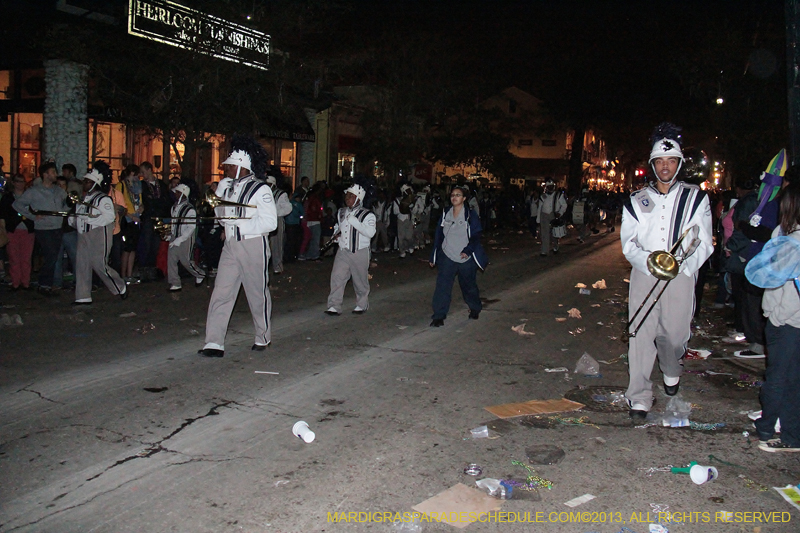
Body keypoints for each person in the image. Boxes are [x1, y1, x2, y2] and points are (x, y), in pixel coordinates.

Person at [621, 123, 713, 421]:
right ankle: (639, 396)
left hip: (680, 274)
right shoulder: (636, 200)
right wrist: (647, 262)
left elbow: (704, 242)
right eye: (659, 161)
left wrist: (682, 266)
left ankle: (671, 368)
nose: (665, 166)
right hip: (645, 273)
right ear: (652, 164)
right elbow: (628, 242)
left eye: (671, 161)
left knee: (674, 335)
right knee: (639, 332)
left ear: (679, 164)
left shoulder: (696, 198)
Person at [198, 136, 277, 358]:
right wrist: (220, 197)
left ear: (240, 165)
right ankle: (214, 342)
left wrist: (240, 222)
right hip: (231, 245)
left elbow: (270, 223)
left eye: (229, 165)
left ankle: (263, 336)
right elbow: (222, 218)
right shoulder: (228, 187)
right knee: (221, 292)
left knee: (256, 293)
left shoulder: (261, 189)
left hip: (252, 244)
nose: (226, 169)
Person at [754, 179, 800, 452]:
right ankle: (792, 435)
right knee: (792, 379)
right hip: (788, 320)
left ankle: (767, 428)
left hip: (788, 321)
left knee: (779, 378)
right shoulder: (786, 237)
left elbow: (786, 287)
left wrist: (777, 316)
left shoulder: (792, 243)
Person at [429, 184, 488, 327]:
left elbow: (475, 236)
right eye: (453, 195)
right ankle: (439, 316)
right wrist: (434, 256)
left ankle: (474, 308)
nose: (454, 197)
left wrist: (467, 250)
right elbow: (438, 235)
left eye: (458, 195)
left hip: (464, 258)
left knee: (468, 286)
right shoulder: (445, 213)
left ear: (464, 198)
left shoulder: (470, 214)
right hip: (447, 255)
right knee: (442, 287)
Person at [70, 165, 128, 304]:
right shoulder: (83, 199)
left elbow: (109, 218)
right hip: (83, 233)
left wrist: (86, 218)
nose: (84, 184)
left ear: (95, 183)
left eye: (88, 181)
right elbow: (76, 217)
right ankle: (83, 296)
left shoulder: (103, 199)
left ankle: (120, 287)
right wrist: (73, 220)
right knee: (82, 264)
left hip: (99, 234)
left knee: (99, 264)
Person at [12, 162, 68, 295]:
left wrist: (69, 206)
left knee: (53, 256)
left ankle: (46, 283)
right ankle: (44, 283)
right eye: (53, 172)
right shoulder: (34, 191)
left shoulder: (59, 190)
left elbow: (64, 207)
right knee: (51, 255)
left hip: (57, 227)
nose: (55, 174)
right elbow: (17, 205)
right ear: (45, 174)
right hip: (44, 228)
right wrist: (31, 216)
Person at [324, 183, 376, 315]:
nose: (347, 198)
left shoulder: (368, 215)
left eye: (351, 196)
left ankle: (362, 304)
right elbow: (338, 226)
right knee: (337, 277)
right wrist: (336, 235)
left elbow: (370, 233)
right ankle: (334, 305)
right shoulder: (341, 212)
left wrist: (355, 222)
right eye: (347, 195)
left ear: (358, 198)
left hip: (360, 251)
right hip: (343, 250)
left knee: (360, 280)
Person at [165, 184, 205, 291]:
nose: (175, 194)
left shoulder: (190, 209)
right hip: (175, 236)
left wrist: (180, 239)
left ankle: (200, 274)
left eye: (177, 192)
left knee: (186, 261)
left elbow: (191, 227)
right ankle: (175, 282)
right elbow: (174, 223)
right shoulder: (174, 207)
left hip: (186, 238)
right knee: (171, 259)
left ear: (182, 194)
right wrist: (170, 235)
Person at [0, 174, 35, 290]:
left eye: (22, 181)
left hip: (27, 230)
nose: (21, 184)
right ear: (13, 183)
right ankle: (15, 282)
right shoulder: (7, 198)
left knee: (26, 257)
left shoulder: (29, 196)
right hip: (13, 230)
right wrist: (4, 230)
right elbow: (3, 215)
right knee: (14, 257)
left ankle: (25, 282)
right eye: (18, 182)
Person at [138, 161, 171, 281]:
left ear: (149, 170)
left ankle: (152, 270)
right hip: (148, 218)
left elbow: (165, 200)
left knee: (156, 244)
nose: (142, 175)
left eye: (143, 172)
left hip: (159, 218)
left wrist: (155, 203)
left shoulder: (161, 184)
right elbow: (146, 200)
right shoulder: (142, 185)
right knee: (146, 243)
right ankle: (144, 269)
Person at [117, 165, 143, 283]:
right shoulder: (121, 186)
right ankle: (123, 275)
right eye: (137, 174)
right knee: (126, 248)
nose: (139, 177)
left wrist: (141, 208)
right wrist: (131, 215)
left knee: (133, 248)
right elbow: (118, 206)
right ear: (132, 173)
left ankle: (129, 274)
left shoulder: (137, 187)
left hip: (136, 219)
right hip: (127, 220)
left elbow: (141, 202)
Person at [267, 174, 292, 274]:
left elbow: (288, 208)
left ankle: (278, 267)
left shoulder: (281, 194)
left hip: (277, 220)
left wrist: (275, 213)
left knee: (277, 244)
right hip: (265, 220)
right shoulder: (264, 193)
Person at [537, 179, 567, 256]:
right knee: (544, 234)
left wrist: (560, 213)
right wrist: (538, 220)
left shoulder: (558, 195)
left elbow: (564, 205)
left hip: (554, 215)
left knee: (555, 233)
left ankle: (555, 246)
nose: (550, 188)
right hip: (544, 215)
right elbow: (539, 208)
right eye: (548, 186)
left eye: (551, 186)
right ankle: (544, 250)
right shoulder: (543, 196)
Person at [393, 184, 415, 257]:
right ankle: (402, 251)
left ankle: (410, 246)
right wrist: (402, 208)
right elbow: (395, 211)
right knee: (401, 237)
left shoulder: (410, 199)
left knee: (409, 236)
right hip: (400, 220)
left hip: (408, 219)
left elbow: (413, 210)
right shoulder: (397, 200)